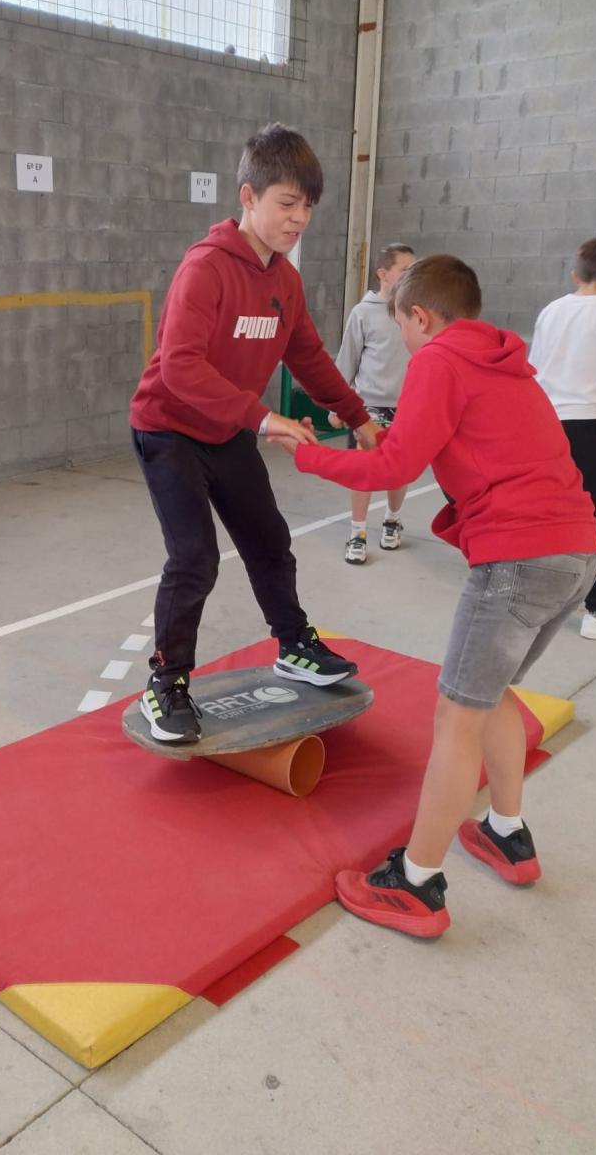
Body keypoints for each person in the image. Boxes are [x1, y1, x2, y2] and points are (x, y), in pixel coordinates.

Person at [273, 254, 596, 937]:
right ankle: (506, 832)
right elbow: (449, 440)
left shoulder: (439, 361)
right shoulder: (503, 360)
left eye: (402, 328)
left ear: (420, 317)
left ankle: (416, 884)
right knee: (491, 694)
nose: (404, 341)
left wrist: (306, 453)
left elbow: (396, 466)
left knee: (455, 718)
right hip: (576, 552)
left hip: (518, 558)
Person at [129, 124, 380, 744]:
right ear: (248, 196)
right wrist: (264, 418)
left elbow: (309, 356)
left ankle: (293, 645)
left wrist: (357, 416)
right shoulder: (206, 268)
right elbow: (180, 367)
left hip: (227, 431)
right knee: (194, 558)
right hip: (168, 430)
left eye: (308, 207)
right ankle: (166, 681)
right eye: (287, 204)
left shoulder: (285, 281)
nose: (299, 219)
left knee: (269, 539)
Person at [528, 236, 596, 639]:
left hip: (547, 423)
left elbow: (532, 371)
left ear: (576, 274)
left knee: (548, 513)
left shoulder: (552, 310)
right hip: (590, 425)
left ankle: (536, 601)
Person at [329, 243, 416, 564]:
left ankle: (392, 521)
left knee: (399, 471)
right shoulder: (363, 313)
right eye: (405, 270)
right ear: (383, 273)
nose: (412, 275)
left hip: (407, 407)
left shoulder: (416, 311)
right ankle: (358, 533)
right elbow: (347, 360)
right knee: (363, 471)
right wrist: (337, 406)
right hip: (368, 408)